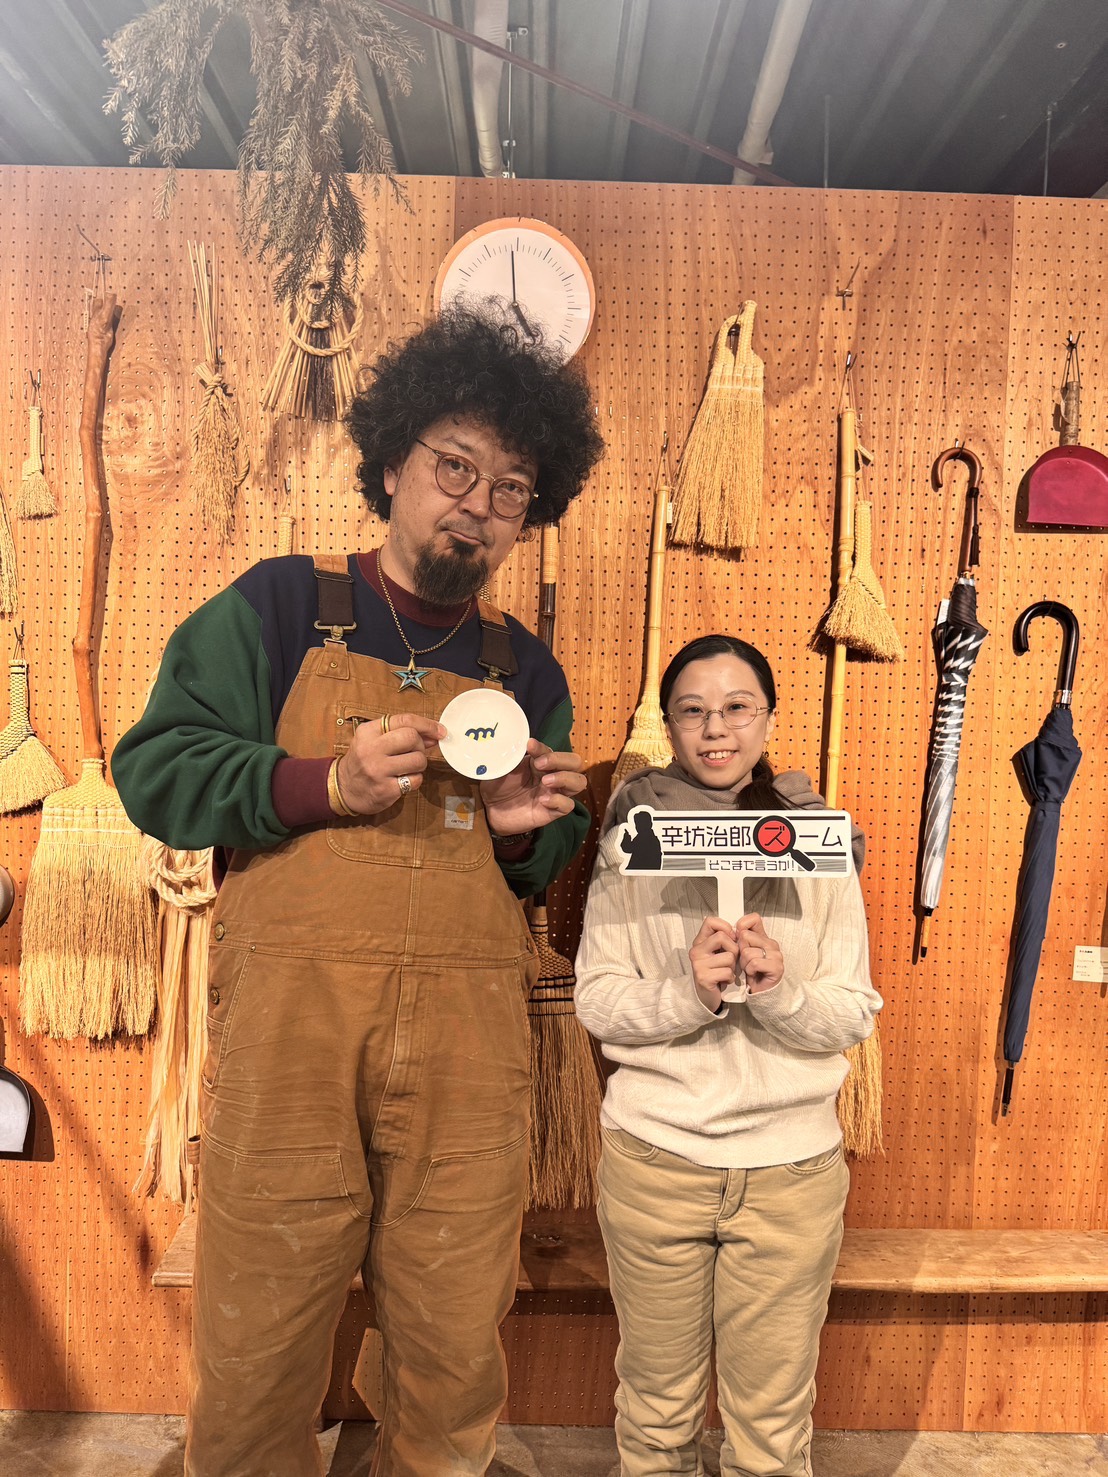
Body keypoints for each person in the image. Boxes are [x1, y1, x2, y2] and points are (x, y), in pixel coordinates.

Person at [113, 308, 605, 1477]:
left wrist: (526, 832)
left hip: (469, 1068)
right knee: (257, 1341)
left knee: (451, 1346)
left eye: (510, 489)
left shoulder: (524, 671)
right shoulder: (280, 605)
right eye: (455, 468)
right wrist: (320, 781)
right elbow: (157, 768)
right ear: (391, 465)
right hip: (293, 1046)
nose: (477, 506)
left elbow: (537, 863)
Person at [574, 634, 881, 1477]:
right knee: (656, 1412)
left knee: (772, 1428)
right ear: (670, 725)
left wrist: (778, 989)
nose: (717, 728)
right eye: (693, 710)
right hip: (655, 1165)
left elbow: (853, 1010)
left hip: (791, 1178)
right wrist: (689, 993)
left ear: (768, 717)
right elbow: (597, 998)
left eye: (737, 707)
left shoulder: (817, 843)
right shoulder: (633, 838)